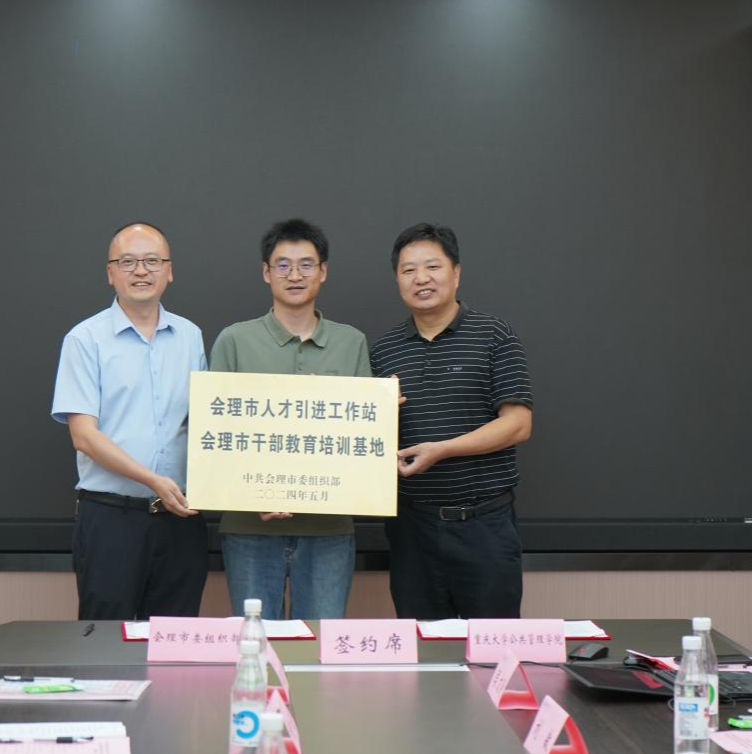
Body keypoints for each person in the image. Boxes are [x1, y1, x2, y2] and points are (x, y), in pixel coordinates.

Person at [370, 222, 533, 619]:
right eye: (408, 270)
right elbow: (369, 437)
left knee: (492, 647)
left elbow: (518, 424)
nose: (421, 278)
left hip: (484, 525)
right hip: (412, 530)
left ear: (456, 273)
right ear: (397, 280)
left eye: (432, 267)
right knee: (423, 648)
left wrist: (442, 450)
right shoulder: (383, 351)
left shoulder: (494, 334)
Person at [210, 218, 371, 620]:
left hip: (328, 530)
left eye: (306, 265)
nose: (294, 275)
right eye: (282, 265)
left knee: (318, 648)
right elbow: (213, 436)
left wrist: (383, 411)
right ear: (266, 273)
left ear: (323, 271)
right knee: (255, 645)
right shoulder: (234, 340)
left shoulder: (352, 342)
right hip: (249, 529)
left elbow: (363, 443)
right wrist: (252, 495)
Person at [51, 221, 208, 620]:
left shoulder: (190, 336)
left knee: (175, 641)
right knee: (105, 642)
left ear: (169, 271)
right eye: (128, 262)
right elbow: (84, 436)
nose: (141, 271)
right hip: (111, 519)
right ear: (110, 273)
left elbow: (205, 424)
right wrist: (152, 480)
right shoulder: (85, 339)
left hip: (181, 520)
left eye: (152, 261)